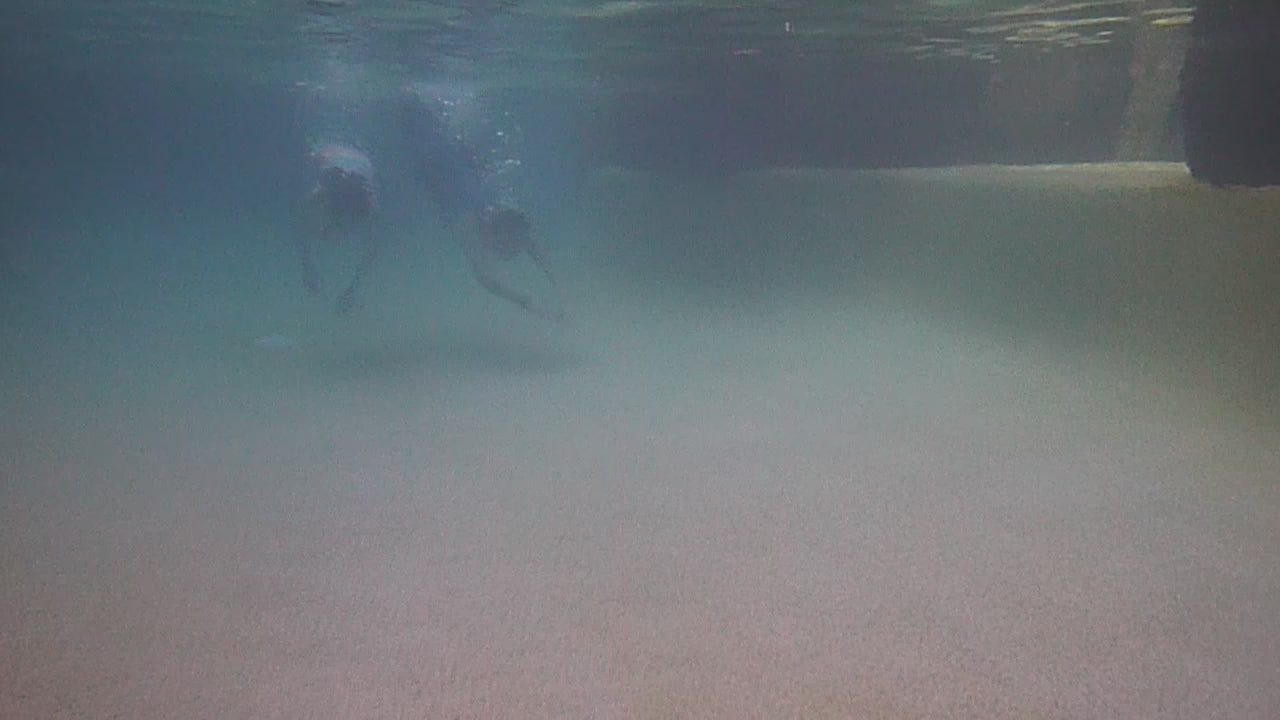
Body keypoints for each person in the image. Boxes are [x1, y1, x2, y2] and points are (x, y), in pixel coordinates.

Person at [402, 83, 565, 322]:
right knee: (424, 131)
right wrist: (530, 304)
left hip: (460, 168)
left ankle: (428, 105)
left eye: (515, 246)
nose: (513, 252)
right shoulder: (467, 226)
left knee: (448, 140)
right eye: (510, 246)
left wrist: (562, 295)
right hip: (436, 169)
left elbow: (546, 261)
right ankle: (414, 99)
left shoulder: (515, 224)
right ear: (494, 233)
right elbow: (487, 281)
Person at [296, 142, 377, 314]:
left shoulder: (363, 204)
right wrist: (308, 269)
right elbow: (370, 251)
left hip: (339, 159)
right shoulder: (326, 193)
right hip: (336, 158)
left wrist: (352, 291)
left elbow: (371, 251)